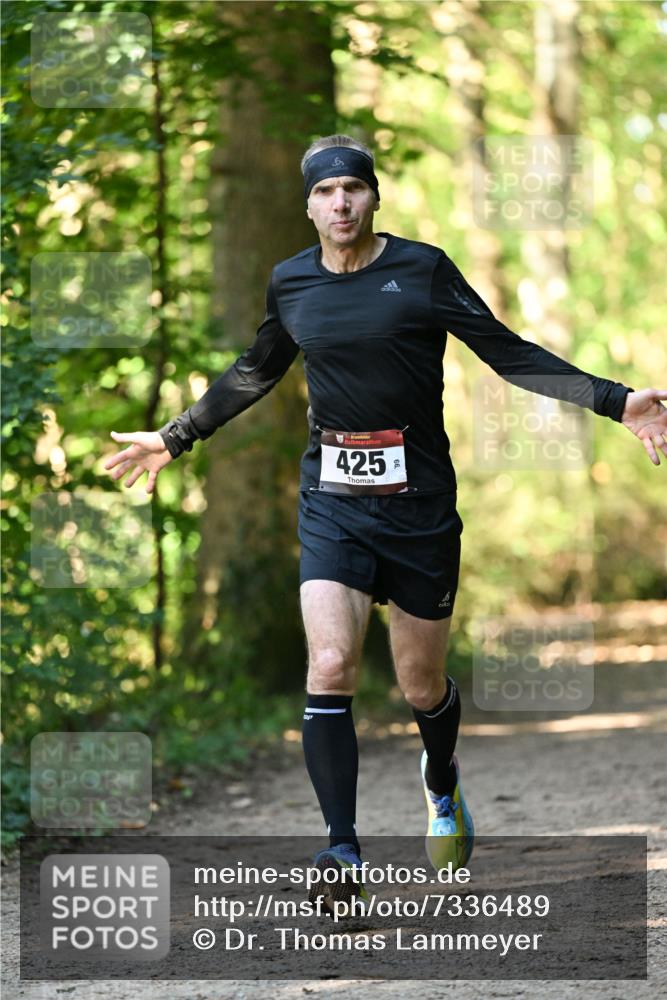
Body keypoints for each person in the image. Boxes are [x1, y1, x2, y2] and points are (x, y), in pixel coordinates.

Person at [105, 134, 667, 911]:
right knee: (330, 664)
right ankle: (340, 849)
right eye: (325, 192)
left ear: (373, 197)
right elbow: (254, 371)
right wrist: (174, 437)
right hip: (332, 503)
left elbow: (506, 353)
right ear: (307, 204)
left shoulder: (421, 269)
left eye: (353, 190)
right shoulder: (291, 282)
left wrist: (615, 400)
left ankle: (440, 782)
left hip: (419, 508)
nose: (340, 203)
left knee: (419, 683)